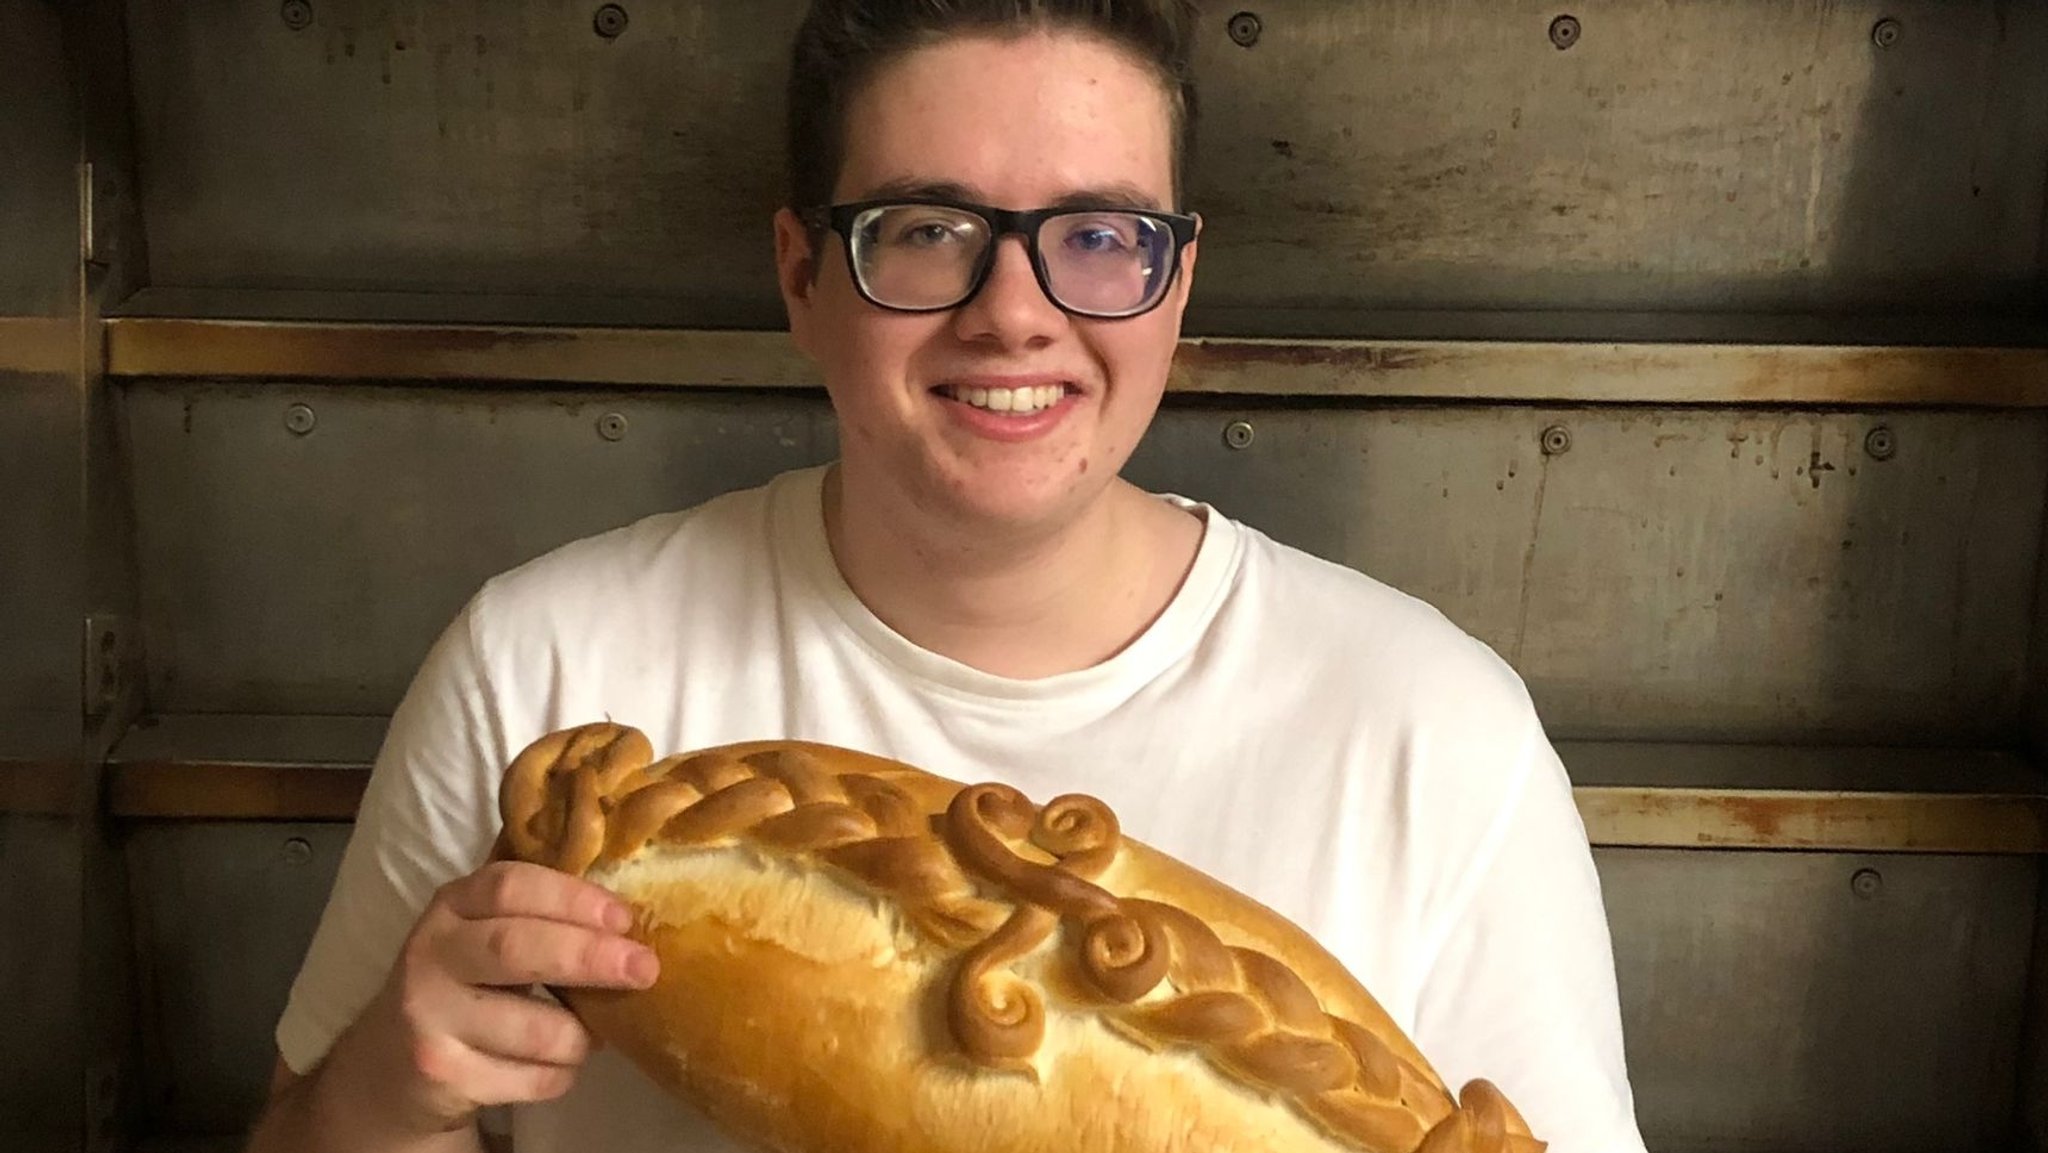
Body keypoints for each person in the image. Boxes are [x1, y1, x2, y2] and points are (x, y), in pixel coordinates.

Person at [246, 2, 1650, 1152]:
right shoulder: (549, 670)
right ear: (802, 273)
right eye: (927, 230)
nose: (1017, 313)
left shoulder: (1433, 730)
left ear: (1179, 280)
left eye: (1100, 236)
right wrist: (380, 1095)